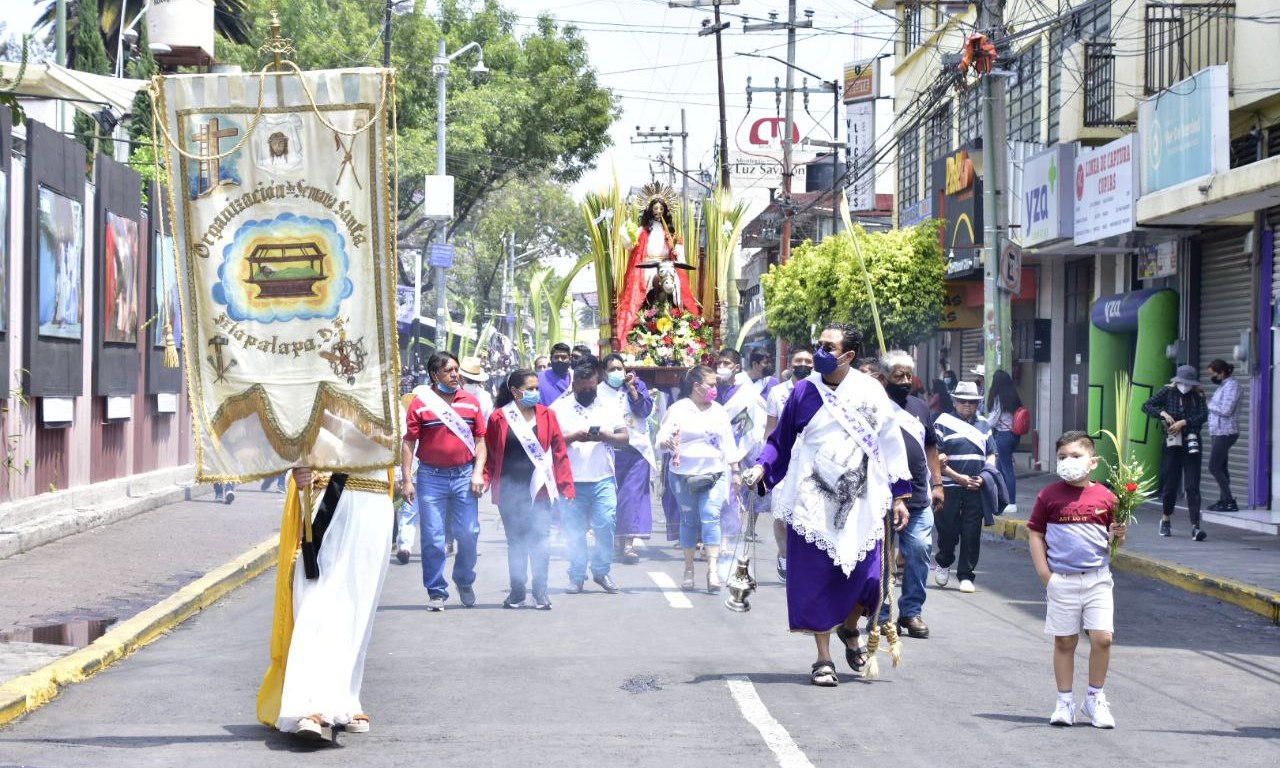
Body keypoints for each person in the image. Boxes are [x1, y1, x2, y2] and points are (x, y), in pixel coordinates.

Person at [743, 323, 912, 687]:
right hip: (813, 502)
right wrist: (762, 468)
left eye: (828, 347)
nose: (819, 351)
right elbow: (781, 440)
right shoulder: (804, 390)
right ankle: (823, 658)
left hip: (861, 501)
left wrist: (900, 495)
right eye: (819, 344)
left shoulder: (871, 391)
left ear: (848, 355)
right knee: (817, 579)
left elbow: (890, 442)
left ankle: (849, 628)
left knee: (867, 579)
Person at [257, 463, 395, 740]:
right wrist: (296, 469)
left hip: (374, 503)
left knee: (356, 609)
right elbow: (293, 439)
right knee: (318, 601)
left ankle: (345, 701)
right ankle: (308, 706)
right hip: (330, 501)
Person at [1028, 431, 1125, 729]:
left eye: (1075, 456)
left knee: (1103, 638)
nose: (1068, 461)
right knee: (1065, 641)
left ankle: (1094, 699)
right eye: (1062, 457)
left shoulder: (1107, 497)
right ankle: (1064, 702)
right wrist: (1046, 575)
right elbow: (1035, 533)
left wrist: (1118, 535)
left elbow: (1114, 539)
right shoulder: (1048, 495)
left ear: (1092, 461)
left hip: (1098, 579)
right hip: (1062, 580)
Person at [401, 352, 487, 611]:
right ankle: (436, 590)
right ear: (434, 374)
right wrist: (407, 480)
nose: (455, 374)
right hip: (431, 477)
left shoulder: (471, 403)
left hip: (464, 475)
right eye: (449, 370)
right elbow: (409, 443)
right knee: (433, 537)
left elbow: (480, 441)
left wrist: (478, 472)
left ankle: (464, 579)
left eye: (456, 369)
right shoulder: (420, 404)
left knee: (469, 532)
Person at [484, 370, 575, 610]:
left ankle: (540, 591)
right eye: (530, 389)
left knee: (540, 540)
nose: (536, 393)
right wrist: (484, 478)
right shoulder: (499, 418)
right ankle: (517, 591)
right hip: (510, 490)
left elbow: (559, 452)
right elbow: (490, 453)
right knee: (516, 542)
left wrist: (566, 486)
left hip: (540, 489)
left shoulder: (547, 415)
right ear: (515, 392)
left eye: (537, 388)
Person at [876, 351, 944, 639]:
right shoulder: (874, 407)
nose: (905, 381)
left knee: (919, 549)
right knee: (880, 557)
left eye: (908, 375)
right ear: (883, 379)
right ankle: (880, 613)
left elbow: (930, 447)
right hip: (881, 496)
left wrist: (937, 484)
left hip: (918, 495)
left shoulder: (920, 407)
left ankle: (911, 611)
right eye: (898, 376)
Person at [658, 366, 742, 593]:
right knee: (688, 520)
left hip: (714, 472)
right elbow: (662, 436)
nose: (715, 389)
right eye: (711, 384)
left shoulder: (719, 411)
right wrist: (666, 442)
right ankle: (688, 569)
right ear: (697, 386)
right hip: (682, 475)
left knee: (710, 516)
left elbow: (728, 442)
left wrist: (735, 471)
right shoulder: (678, 409)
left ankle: (712, 569)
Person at [551, 360, 629, 594]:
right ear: (574, 384)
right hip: (571, 481)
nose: (587, 391)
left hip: (603, 478)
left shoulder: (609, 405)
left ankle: (602, 571)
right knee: (574, 531)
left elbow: (624, 438)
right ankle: (576, 576)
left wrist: (605, 436)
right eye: (583, 387)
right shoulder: (558, 408)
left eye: (591, 387)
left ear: (597, 382)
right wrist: (574, 436)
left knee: (606, 524)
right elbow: (549, 442)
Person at [932, 381, 998, 593]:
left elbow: (992, 453)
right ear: (954, 401)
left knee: (972, 532)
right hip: (949, 486)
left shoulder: (984, 424)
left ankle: (966, 575)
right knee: (948, 531)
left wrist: (985, 476)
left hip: (975, 486)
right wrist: (958, 477)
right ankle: (944, 561)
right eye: (962, 401)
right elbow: (936, 457)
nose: (967, 405)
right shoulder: (942, 422)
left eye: (972, 402)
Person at [598, 354, 657, 564]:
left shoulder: (637, 386)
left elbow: (645, 410)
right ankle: (615, 542)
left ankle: (629, 544)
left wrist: (632, 389)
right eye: (612, 369)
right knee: (611, 499)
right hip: (609, 450)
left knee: (632, 497)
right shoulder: (597, 392)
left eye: (619, 368)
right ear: (604, 373)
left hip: (636, 450)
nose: (617, 372)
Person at [1142, 364, 1209, 541]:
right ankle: (1165, 519)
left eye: (1189, 383)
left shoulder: (1198, 395)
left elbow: (1203, 416)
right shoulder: (1168, 392)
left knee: (1192, 485)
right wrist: (1162, 413)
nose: (1185, 386)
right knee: (1171, 483)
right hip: (1172, 443)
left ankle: (1195, 526)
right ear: (1177, 381)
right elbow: (1146, 405)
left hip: (1192, 443)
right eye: (1182, 382)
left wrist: (1184, 422)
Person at [765, 346, 814, 581]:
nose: (803, 364)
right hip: (784, 460)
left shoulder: (820, 391)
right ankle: (784, 554)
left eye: (808, 361)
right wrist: (765, 462)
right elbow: (770, 429)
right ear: (790, 364)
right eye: (799, 360)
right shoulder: (777, 393)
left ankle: (802, 561)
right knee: (780, 515)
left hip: (810, 463)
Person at [1206, 359, 1241, 512]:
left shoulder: (1233, 386)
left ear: (1222, 372)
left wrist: (1208, 403)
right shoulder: (1223, 386)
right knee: (1221, 467)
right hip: (1217, 432)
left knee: (1213, 466)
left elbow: (1226, 410)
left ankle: (1230, 501)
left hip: (1226, 432)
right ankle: (1224, 501)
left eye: (1213, 374)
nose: (1212, 377)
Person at [987, 369, 1023, 513]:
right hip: (1014, 435)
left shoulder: (998, 398)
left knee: (1006, 470)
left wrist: (981, 423)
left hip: (1003, 435)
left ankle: (1011, 502)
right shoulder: (1013, 396)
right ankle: (1002, 500)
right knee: (1000, 469)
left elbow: (993, 420)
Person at [459, 355, 495, 422]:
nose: (474, 384)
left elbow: (488, 422)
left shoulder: (485, 398)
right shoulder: (451, 394)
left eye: (477, 381)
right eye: (470, 381)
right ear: (460, 378)